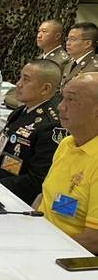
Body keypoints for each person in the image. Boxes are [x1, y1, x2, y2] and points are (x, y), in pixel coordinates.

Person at [0, 60, 63, 204]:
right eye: (20, 78)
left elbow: (37, 180)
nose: (18, 84)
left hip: (18, 199)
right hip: (0, 183)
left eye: (26, 80)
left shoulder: (51, 124)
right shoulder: (22, 111)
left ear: (45, 89)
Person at [38, 73, 98, 253]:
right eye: (63, 97)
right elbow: (45, 196)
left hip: (67, 254)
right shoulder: (67, 143)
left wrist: (42, 249)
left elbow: (93, 240)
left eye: (71, 100)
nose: (60, 106)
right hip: (41, 236)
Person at [3, 19, 71, 109]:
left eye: (44, 31)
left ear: (57, 36)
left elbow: (56, 92)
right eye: (39, 31)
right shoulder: (42, 56)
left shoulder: (62, 60)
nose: (39, 35)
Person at [60, 22, 98, 89]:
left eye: (72, 39)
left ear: (88, 43)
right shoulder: (68, 62)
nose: (67, 43)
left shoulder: (94, 68)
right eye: (67, 39)